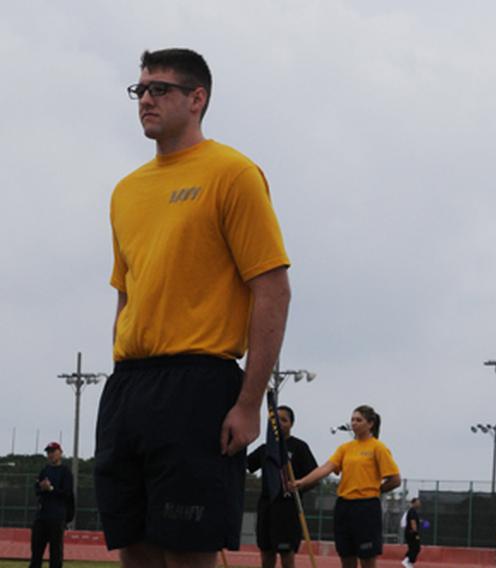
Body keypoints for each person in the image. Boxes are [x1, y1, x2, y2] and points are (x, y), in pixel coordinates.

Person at [95, 48, 291, 568]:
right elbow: (126, 293)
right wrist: (118, 376)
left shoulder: (232, 173)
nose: (146, 100)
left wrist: (249, 402)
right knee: (132, 545)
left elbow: (273, 289)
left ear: (197, 98)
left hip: (197, 382)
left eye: (160, 89)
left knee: (186, 551)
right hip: (129, 385)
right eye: (141, 90)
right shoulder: (125, 191)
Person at [293, 405, 401, 568]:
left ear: (370, 424)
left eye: (359, 420)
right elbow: (325, 468)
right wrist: (301, 482)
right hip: (344, 506)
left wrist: (375, 490)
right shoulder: (345, 448)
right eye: (352, 419)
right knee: (346, 555)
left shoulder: (377, 447)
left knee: (367, 558)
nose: (354, 423)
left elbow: (395, 479)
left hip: (366, 508)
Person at [248, 405, 319, 568]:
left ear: (291, 423)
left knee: (286, 553)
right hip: (267, 506)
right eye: (275, 419)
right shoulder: (266, 449)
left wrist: (299, 486)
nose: (279, 423)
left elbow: (315, 477)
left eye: (283, 420)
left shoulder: (299, 447)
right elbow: (245, 464)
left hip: (288, 507)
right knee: (266, 552)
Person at [29, 442, 73, 568]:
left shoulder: (66, 472)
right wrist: (42, 487)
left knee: (55, 553)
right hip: (42, 516)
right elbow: (36, 489)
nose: (51, 454)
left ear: (60, 452)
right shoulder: (44, 471)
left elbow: (67, 493)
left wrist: (51, 488)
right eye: (48, 452)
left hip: (57, 516)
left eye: (53, 451)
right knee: (36, 551)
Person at [402, 498, 422, 567]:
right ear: (413, 503)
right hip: (412, 533)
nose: (419, 503)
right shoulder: (412, 511)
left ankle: (408, 561)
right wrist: (415, 531)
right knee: (416, 547)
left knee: (413, 547)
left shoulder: (413, 511)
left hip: (411, 533)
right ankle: (407, 560)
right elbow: (412, 521)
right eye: (418, 502)